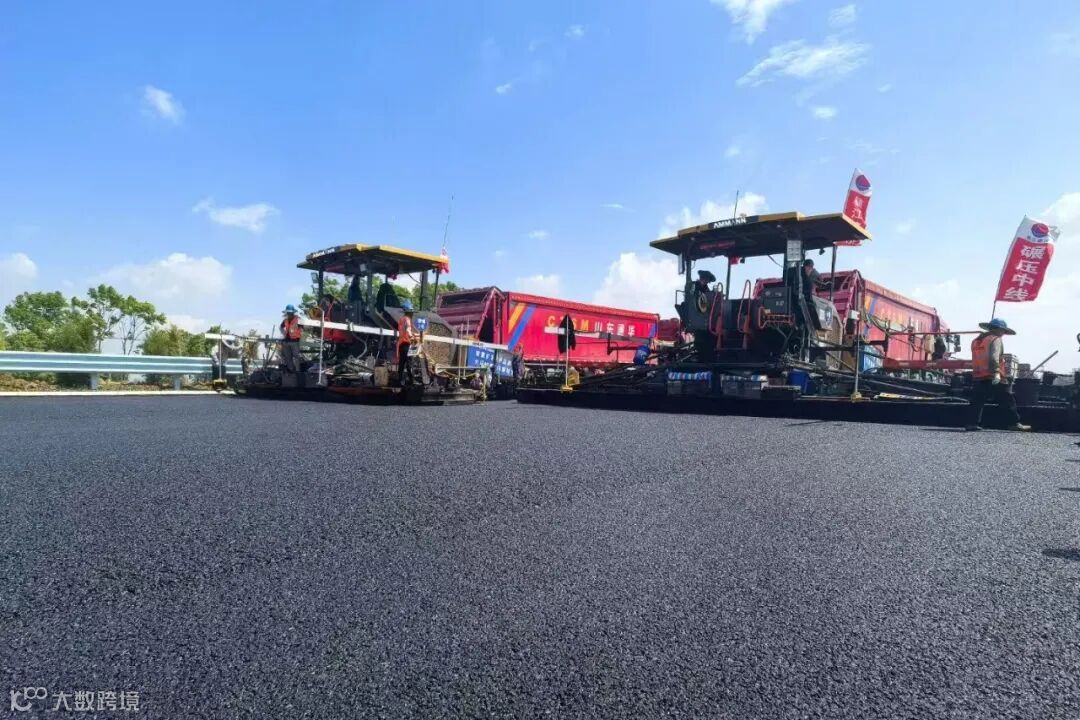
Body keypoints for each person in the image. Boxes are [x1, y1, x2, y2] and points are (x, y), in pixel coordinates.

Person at [966, 318, 1030, 431]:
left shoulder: (976, 341)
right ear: (999, 329)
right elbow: (993, 357)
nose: (1003, 334)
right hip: (992, 375)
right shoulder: (995, 339)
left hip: (978, 375)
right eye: (1003, 331)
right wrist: (996, 373)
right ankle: (1014, 423)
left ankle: (972, 424)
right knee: (1007, 399)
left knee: (977, 401)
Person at [396, 300, 419, 385]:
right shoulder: (407, 319)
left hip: (401, 344)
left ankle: (399, 380)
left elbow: (403, 330)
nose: (412, 314)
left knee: (402, 363)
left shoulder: (401, 319)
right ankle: (412, 380)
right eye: (412, 312)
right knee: (410, 362)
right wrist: (412, 337)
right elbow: (408, 330)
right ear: (409, 312)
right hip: (407, 344)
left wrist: (415, 334)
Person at [279, 304, 303, 373]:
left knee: (296, 357)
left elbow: (302, 328)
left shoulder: (298, 319)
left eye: (290, 313)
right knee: (288, 357)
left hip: (295, 341)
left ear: (293, 313)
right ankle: (291, 370)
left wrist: (299, 333)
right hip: (286, 341)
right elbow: (281, 327)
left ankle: (297, 371)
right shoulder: (285, 320)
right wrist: (283, 333)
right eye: (288, 313)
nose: (289, 314)